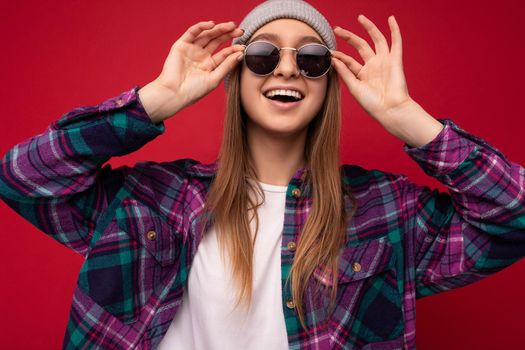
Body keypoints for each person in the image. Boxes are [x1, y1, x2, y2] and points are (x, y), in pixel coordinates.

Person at [0, 0, 524, 349]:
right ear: (233, 74)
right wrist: (152, 102)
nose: (287, 68)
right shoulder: (151, 198)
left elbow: (513, 218)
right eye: (263, 54)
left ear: (329, 85)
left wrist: (409, 119)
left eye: (313, 58)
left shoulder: (385, 212)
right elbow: (24, 178)